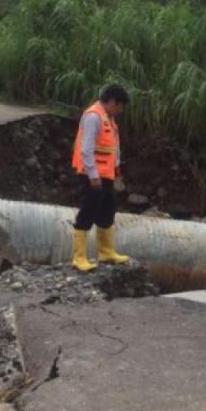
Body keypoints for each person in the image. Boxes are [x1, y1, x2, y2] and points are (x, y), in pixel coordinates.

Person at [70, 85, 131, 271]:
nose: (120, 110)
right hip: (92, 175)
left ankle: (106, 252)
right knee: (88, 211)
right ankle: (79, 257)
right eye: (120, 106)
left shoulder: (109, 118)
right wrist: (93, 175)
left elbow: (112, 148)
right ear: (112, 101)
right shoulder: (93, 117)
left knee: (107, 210)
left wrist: (116, 168)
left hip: (106, 174)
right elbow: (86, 149)